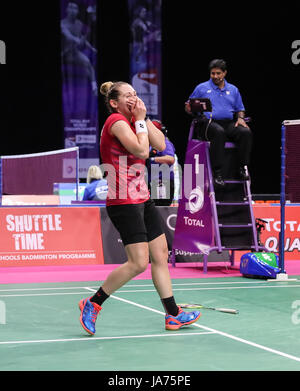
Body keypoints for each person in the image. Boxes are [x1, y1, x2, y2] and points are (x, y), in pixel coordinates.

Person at [78, 81, 201, 335]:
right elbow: (142, 150)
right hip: (123, 202)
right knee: (138, 263)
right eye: (128, 96)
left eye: (135, 94)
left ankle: (173, 315)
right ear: (114, 103)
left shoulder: (136, 121)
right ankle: (93, 303)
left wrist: (144, 119)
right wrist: (141, 120)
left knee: (160, 255)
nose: (134, 98)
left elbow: (161, 145)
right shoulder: (116, 122)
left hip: (142, 199)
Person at [185, 59, 252, 187]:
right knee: (219, 132)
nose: (215, 76)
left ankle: (242, 167)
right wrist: (189, 108)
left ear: (224, 73)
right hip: (208, 123)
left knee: (245, 132)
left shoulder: (233, 90)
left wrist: (241, 118)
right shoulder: (202, 87)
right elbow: (188, 106)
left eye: (218, 73)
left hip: (228, 123)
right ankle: (218, 172)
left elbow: (240, 109)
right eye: (212, 73)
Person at [146, 120, 176, 206]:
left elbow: (170, 159)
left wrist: (152, 160)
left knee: (161, 211)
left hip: (163, 183)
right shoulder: (150, 144)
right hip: (154, 182)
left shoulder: (165, 143)